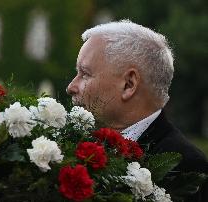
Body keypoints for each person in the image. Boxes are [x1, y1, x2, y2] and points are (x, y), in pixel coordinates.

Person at [66, 20, 208, 202]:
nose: (71, 87)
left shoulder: (186, 167)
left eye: (85, 74)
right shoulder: (75, 143)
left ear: (129, 84)